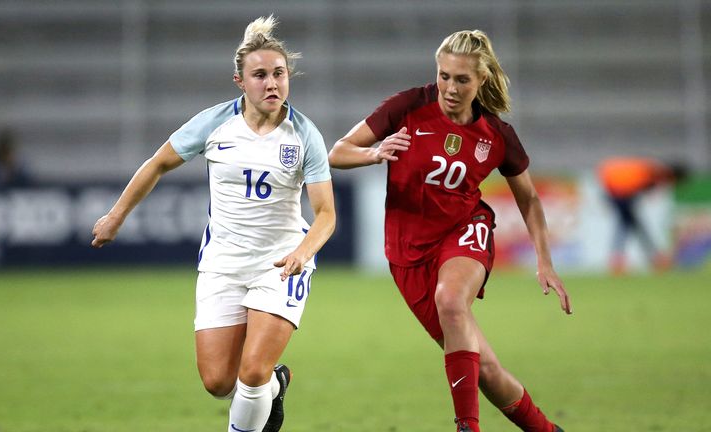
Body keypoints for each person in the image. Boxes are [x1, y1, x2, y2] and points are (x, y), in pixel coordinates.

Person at [91, 16, 336, 432]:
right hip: (222, 264)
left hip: (279, 267)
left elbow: (326, 214)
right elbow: (157, 164)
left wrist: (302, 252)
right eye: (260, 75)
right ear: (240, 81)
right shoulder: (214, 124)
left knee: (252, 371)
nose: (272, 83)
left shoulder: (304, 136)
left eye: (279, 74)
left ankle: (262, 386)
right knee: (218, 381)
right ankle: (277, 384)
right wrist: (115, 217)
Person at [329, 29, 572, 432]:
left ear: (482, 80)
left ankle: (466, 426)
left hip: (465, 230)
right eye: (444, 76)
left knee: (451, 298)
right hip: (408, 253)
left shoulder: (497, 135)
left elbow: (528, 199)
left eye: (462, 79)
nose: (450, 87)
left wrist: (544, 261)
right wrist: (375, 153)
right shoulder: (408, 106)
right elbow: (338, 151)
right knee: (487, 370)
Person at [597, 157, 684, 274]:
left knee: (627, 224)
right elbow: (643, 186)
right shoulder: (656, 173)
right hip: (619, 190)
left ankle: (619, 259)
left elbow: (639, 187)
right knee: (631, 225)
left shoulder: (653, 171)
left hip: (618, 188)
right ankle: (653, 258)